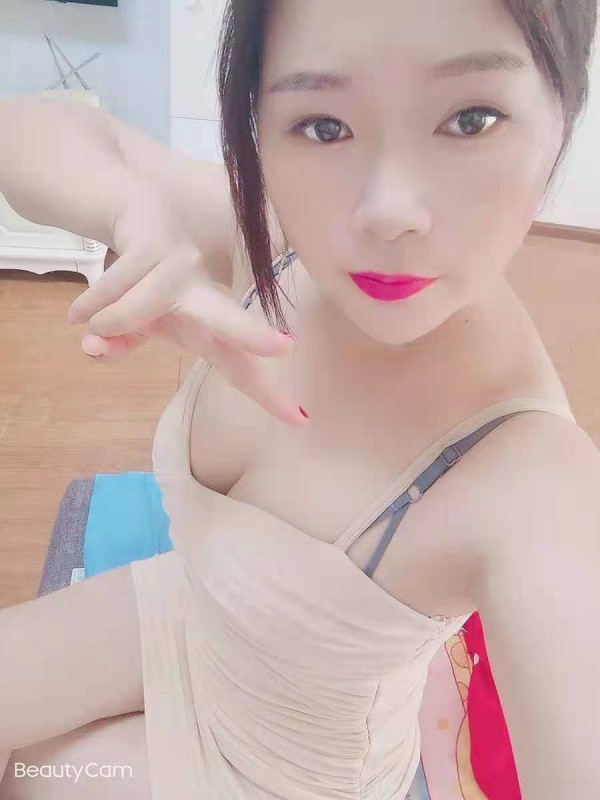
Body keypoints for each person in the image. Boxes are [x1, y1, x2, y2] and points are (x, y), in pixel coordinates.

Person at [1, 0, 599, 798]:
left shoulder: (535, 483)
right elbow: (26, 130)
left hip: (277, 769)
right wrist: (130, 213)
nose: (388, 209)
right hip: (189, 610)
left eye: (470, 119)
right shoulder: (279, 242)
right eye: (323, 125)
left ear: (563, 113)